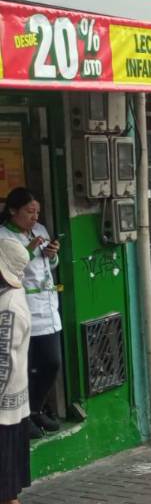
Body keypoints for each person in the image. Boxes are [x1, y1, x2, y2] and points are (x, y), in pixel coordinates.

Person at [0, 188, 62, 440]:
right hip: (21, 310)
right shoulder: (4, 237)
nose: (34, 217)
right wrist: (28, 250)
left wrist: (52, 254)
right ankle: (22, 419)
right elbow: (9, 268)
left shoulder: (41, 231)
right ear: (13, 210)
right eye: (29, 211)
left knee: (51, 362)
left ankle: (35, 408)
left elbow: (48, 265)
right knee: (21, 370)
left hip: (47, 309)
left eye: (37, 211)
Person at [0, 239, 32, 504]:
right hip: (13, 401)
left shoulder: (9, 305)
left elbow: (3, 360)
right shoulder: (12, 295)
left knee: (3, 465)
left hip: (4, 406)